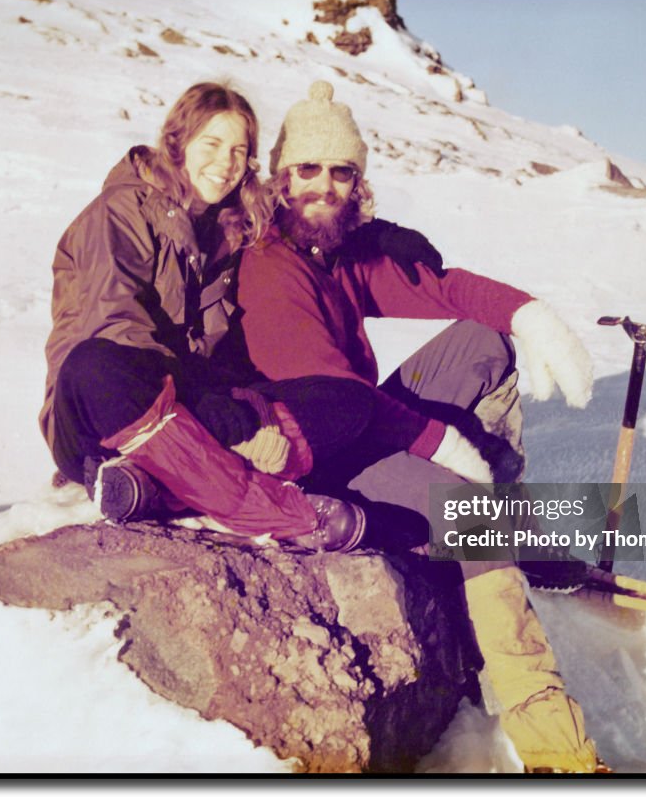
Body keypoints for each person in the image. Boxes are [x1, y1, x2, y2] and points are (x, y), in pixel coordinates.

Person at [235, 81, 605, 773]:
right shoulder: (270, 267)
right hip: (319, 456)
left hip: (359, 420)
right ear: (281, 177)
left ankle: (506, 523)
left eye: (341, 172)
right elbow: (332, 395)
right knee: (466, 511)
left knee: (481, 343)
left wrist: (528, 312)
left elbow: (441, 287)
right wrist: (438, 442)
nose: (324, 186)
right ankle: (555, 744)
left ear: (357, 181)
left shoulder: (337, 250)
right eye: (308, 169)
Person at [39, 82, 373, 552]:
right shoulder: (119, 213)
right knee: (96, 364)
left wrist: (373, 237)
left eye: (239, 151)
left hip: (190, 412)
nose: (226, 163)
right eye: (211, 144)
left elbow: (314, 217)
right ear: (177, 143)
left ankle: (156, 487)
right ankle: (281, 512)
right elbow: (115, 326)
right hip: (106, 411)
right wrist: (201, 399)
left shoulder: (229, 226)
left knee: (348, 401)